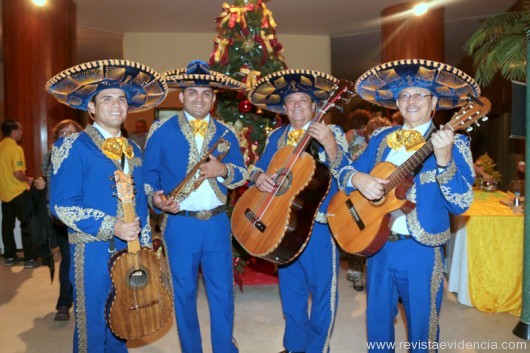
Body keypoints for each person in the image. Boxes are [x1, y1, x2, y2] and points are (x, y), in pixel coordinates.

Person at [334, 59, 477, 352]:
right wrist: (360, 179)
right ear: (396, 102)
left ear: (435, 101)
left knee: (422, 331)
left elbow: (461, 203)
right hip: (377, 244)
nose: (410, 101)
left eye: (419, 95)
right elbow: (344, 172)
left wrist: (444, 160)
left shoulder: (455, 143)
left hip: (420, 251)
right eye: (404, 96)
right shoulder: (381, 139)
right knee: (376, 325)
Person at [46, 59, 174, 352]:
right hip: (91, 252)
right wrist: (111, 225)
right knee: (92, 330)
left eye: (121, 99)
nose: (116, 105)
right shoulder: (72, 146)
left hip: (131, 252)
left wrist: (152, 213)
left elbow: (139, 197)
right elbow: (61, 205)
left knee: (123, 323)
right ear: (91, 109)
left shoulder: (134, 149)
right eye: (106, 99)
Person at [143, 60, 247, 353]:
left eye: (205, 93)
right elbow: (148, 176)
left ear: (214, 99)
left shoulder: (226, 132)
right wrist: (156, 199)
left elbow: (242, 173)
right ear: (181, 97)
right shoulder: (161, 130)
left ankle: (224, 348)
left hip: (216, 224)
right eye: (193, 93)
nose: (199, 98)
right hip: (180, 226)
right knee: (184, 293)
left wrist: (224, 171)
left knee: (222, 293)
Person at [247, 69, 349, 353]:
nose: (296, 106)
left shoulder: (332, 132)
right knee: (291, 291)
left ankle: (318, 348)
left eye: (302, 101)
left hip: (319, 227)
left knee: (322, 295)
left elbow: (347, 173)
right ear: (284, 109)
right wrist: (258, 178)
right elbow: (258, 167)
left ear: (314, 106)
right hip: (284, 226)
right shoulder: (277, 136)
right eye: (291, 102)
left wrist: (329, 144)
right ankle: (294, 346)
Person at [33, 119, 83, 321]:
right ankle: (64, 303)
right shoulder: (50, 156)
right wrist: (40, 185)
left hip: (85, 216)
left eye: (72, 133)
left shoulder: (86, 155)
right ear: (56, 137)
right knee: (69, 259)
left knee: (85, 261)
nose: (67, 137)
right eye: (63, 133)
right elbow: (45, 181)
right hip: (60, 218)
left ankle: (86, 302)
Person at [345, 115, 392, 292]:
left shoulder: (391, 149)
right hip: (360, 200)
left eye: (381, 131)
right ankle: (357, 274)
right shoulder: (360, 149)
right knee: (359, 237)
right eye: (373, 131)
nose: (377, 134)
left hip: (381, 203)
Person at [0, 119, 37, 268]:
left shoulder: (1, 147)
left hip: (4, 194)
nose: (22, 132)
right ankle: (29, 258)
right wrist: (29, 179)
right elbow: (18, 173)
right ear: (14, 131)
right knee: (27, 224)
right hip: (18, 192)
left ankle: (9, 256)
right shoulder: (16, 149)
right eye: (20, 129)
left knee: (7, 226)